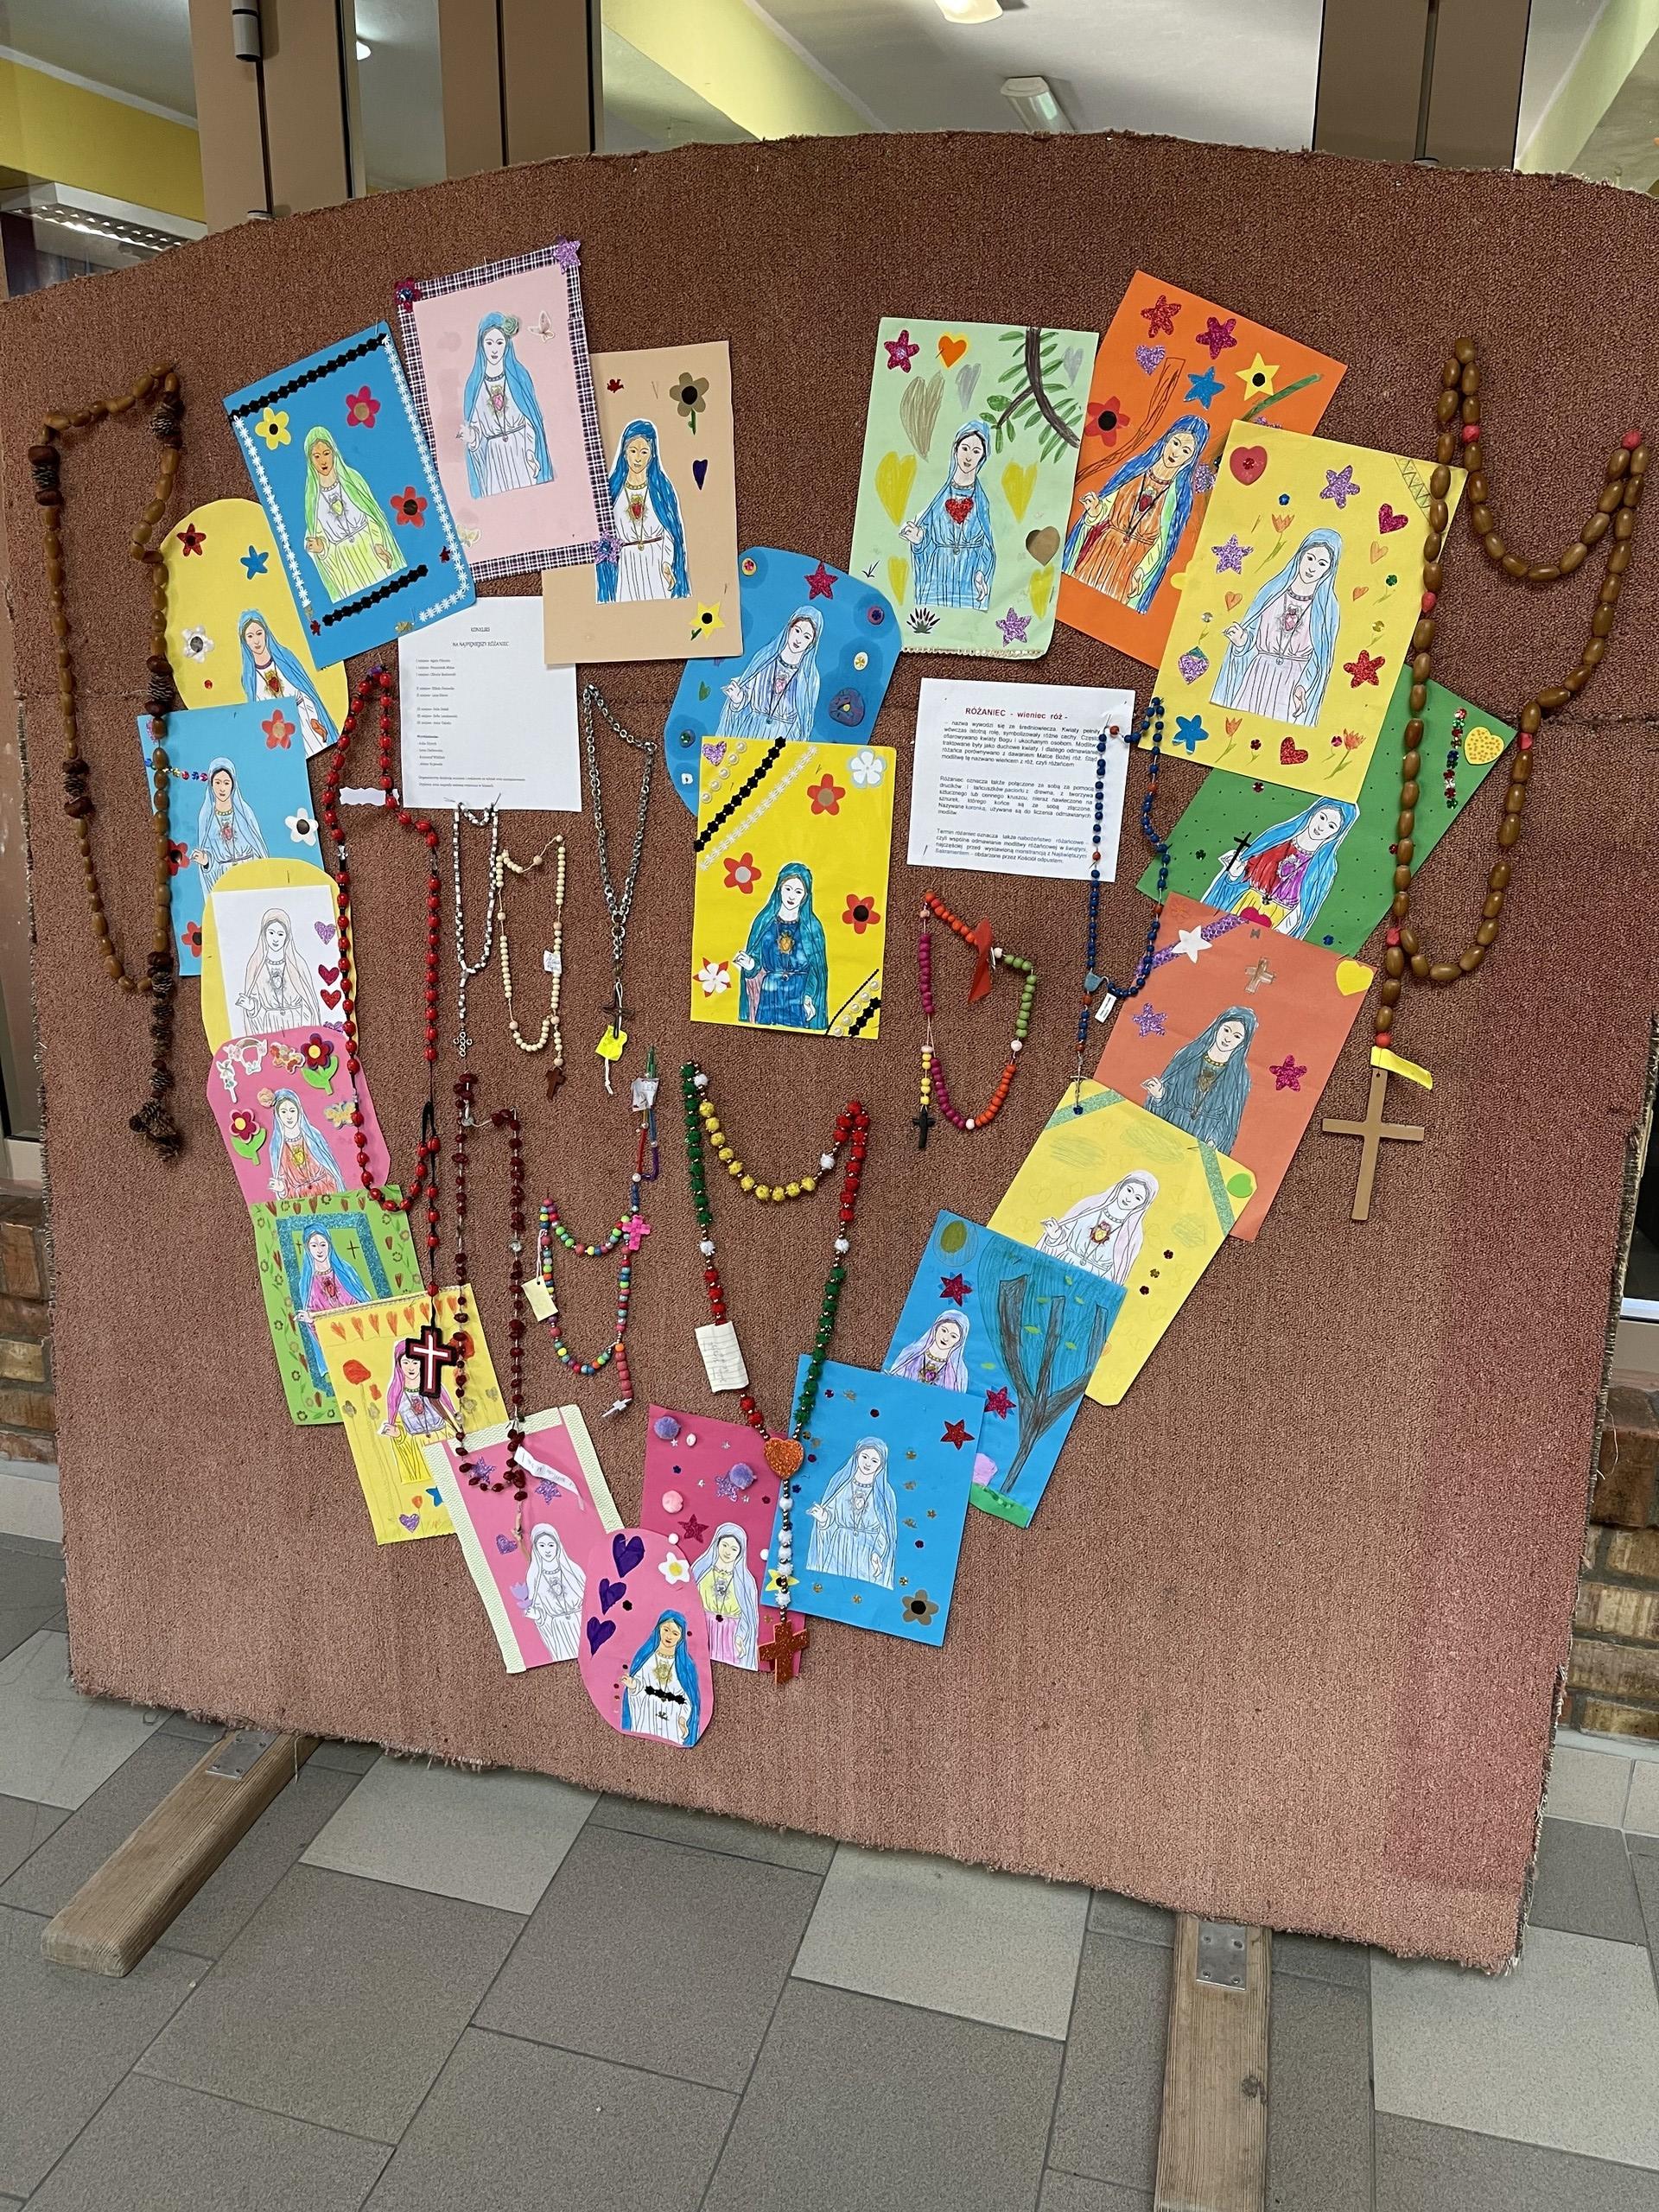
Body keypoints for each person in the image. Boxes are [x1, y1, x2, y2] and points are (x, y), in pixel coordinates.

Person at [1063, 414, 1209, 611]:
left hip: (1131, 566)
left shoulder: (1180, 495)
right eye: (1175, 443)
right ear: (1167, 439)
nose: (1176, 453)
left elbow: (1162, 545)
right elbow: (1107, 506)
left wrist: (1141, 572)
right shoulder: (1134, 469)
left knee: (1107, 614)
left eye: (1186, 451)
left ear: (1192, 458)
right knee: (1073, 603)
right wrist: (1096, 510)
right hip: (1102, 549)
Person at [1211, 529, 1343, 727]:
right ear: (1300, 556)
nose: (1312, 567)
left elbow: (1319, 659)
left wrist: (1303, 688)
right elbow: (1252, 637)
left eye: (1322, 563)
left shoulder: (1327, 607)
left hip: (1292, 684)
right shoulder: (1272, 592)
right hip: (1258, 676)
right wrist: (1241, 640)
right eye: (1310, 558)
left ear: (1329, 569)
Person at [1203, 799, 1358, 938]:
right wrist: (1235, 872)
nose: (1322, 827)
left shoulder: (1325, 867)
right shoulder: (1278, 837)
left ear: (1336, 834)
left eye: (1331, 826)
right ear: (1313, 813)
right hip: (1243, 903)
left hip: (1278, 920)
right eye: (1322, 817)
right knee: (1215, 942)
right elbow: (1246, 871)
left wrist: (1281, 932)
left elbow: (1304, 908)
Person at [301, 426, 403, 602]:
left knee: (392, 595)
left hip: (370, 551)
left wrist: (379, 544)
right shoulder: (312, 498)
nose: (323, 461)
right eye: (316, 456)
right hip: (344, 564)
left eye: (326, 453)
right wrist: (320, 547)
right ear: (310, 460)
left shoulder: (352, 480)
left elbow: (372, 515)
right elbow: (316, 535)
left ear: (334, 452)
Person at [902, 419, 995, 611]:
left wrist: (981, 573)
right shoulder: (937, 500)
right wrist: (919, 540)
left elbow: (986, 545)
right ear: (956, 450)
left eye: (976, 451)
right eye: (965, 448)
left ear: (983, 457)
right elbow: (925, 542)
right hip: (937, 579)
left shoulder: (982, 502)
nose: (968, 456)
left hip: (968, 580)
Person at [461, 312, 552, 498]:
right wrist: (472, 438)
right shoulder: (474, 385)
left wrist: (530, 452)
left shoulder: (519, 376)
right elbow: (477, 427)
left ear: (507, 345)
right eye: (489, 343)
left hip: (521, 454)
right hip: (494, 460)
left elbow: (531, 420)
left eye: (499, 342)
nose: (494, 349)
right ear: (481, 345)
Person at [596, 419, 688, 602]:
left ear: (652, 455)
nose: (638, 458)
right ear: (624, 452)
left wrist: (667, 564)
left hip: (656, 565)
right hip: (626, 567)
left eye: (644, 452)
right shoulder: (612, 490)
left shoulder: (661, 489)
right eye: (633, 451)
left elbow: (670, 533)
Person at [1142, 1008, 1256, 1154]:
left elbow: (1229, 1121)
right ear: (1217, 1027)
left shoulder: (1240, 1076)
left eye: (1237, 1036)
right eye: (1226, 1030)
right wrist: (1159, 1095)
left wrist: (1214, 1142)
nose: (1228, 1038)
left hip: (1203, 1139)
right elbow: (1167, 1099)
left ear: (1243, 1042)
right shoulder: (1188, 1056)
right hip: (1171, 1129)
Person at [734, 861, 829, 1032]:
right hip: (770, 996)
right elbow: (756, 965)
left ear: (805, 896)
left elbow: (816, 970)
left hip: (798, 998)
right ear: (779, 889)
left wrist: (808, 997)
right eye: (788, 889)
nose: (792, 896)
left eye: (798, 891)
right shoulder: (764, 922)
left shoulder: (812, 927)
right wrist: (750, 965)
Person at [238, 611, 338, 756]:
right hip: (279, 734)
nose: (256, 641)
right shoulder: (248, 677)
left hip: (305, 721)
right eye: (250, 636)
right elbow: (257, 712)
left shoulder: (285, 658)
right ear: (244, 640)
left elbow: (306, 691)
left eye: (259, 633)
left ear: (266, 633)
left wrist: (314, 718)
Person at [716, 608, 822, 742]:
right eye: (797, 630)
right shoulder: (764, 660)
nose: (799, 639)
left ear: (812, 643)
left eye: (806, 637)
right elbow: (745, 699)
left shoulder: (809, 677)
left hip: (782, 741)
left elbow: (803, 720)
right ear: (789, 628)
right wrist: (738, 699)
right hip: (751, 734)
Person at [807, 1437, 897, 1588]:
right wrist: (824, 1519)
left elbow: (885, 1531)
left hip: (866, 1555)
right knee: (832, 1588)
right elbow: (831, 1517)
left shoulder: (885, 1494)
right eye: (865, 1456)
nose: (868, 1463)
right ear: (857, 1456)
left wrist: (877, 1553)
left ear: (881, 1465)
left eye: (874, 1461)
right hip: (838, 1550)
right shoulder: (841, 1483)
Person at [1039, 1173, 1158, 1287]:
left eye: (1138, 1198)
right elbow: (1065, 1234)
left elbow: (1118, 1272)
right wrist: (1056, 1236)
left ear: (1142, 1205)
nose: (1129, 1198)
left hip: (1093, 1282)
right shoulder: (1090, 1206)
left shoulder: (1132, 1234)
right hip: (1063, 1266)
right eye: (1129, 1190)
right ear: (1120, 1186)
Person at [294, 1224, 371, 1387]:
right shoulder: (306, 1282)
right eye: (314, 1245)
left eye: (323, 1244)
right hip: (332, 1338)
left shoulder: (346, 1270)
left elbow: (361, 1299)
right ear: (308, 1248)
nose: (319, 1250)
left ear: (329, 1244)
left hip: (356, 1331)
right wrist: (310, 1318)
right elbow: (312, 1313)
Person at [378, 1340, 459, 1491]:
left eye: (415, 1362)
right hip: (418, 1449)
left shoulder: (432, 1386)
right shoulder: (396, 1395)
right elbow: (398, 1427)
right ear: (399, 1364)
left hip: (443, 1439)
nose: (411, 1367)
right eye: (406, 1362)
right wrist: (397, 1434)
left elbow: (450, 1413)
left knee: (455, 1480)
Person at [620, 1611, 702, 1745]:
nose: (669, 1636)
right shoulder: (646, 1656)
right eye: (666, 1630)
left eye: (675, 1633)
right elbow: (640, 1683)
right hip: (647, 1711)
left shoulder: (686, 1665)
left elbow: (688, 1698)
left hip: (672, 1717)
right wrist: (633, 1685)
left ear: (681, 1638)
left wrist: (683, 1719)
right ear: (659, 1629)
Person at [235, 908, 322, 1030]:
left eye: (280, 934)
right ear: (264, 934)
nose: (275, 939)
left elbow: (308, 1001)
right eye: (271, 933)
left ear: (287, 937)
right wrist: (251, 1006)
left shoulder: (297, 964)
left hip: (297, 1024)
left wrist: (306, 1030)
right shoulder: (256, 966)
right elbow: (256, 1002)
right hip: (271, 1026)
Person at [690, 1523, 760, 1669]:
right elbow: (687, 1601)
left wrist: (740, 1637)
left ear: (740, 1552)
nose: (728, 1552)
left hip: (730, 1634)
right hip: (702, 1628)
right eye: (725, 1545)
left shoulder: (745, 1580)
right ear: (717, 1543)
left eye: (734, 1549)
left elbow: (747, 1614)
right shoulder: (700, 1570)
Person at [193, 759, 266, 893]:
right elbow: (209, 857)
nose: (222, 788)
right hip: (224, 880)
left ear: (233, 785)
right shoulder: (207, 817)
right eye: (217, 782)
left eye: (226, 783)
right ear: (211, 784)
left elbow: (258, 848)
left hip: (249, 877)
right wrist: (206, 861)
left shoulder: (244, 812)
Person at [521, 1522, 586, 1663]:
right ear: (536, 1548)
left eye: (551, 1545)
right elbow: (538, 1607)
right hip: (559, 1630)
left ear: (558, 1545)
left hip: (582, 1622)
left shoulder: (573, 1570)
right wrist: (537, 1614)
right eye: (542, 1546)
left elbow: (591, 1595)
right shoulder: (535, 1576)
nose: (547, 1550)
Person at [267, 1088, 345, 1202]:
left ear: (299, 1111)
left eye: (292, 1110)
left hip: (326, 1192)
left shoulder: (313, 1135)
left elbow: (328, 1166)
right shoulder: (277, 1147)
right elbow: (284, 1181)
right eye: (283, 1112)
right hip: (300, 1199)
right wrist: (282, 1189)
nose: (289, 1116)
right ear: (277, 1115)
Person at [887, 1311, 971, 1389]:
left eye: (953, 1336)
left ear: (959, 1341)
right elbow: (891, 1382)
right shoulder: (910, 1354)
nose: (945, 1338)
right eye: (944, 1330)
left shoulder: (958, 1371)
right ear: (936, 1328)